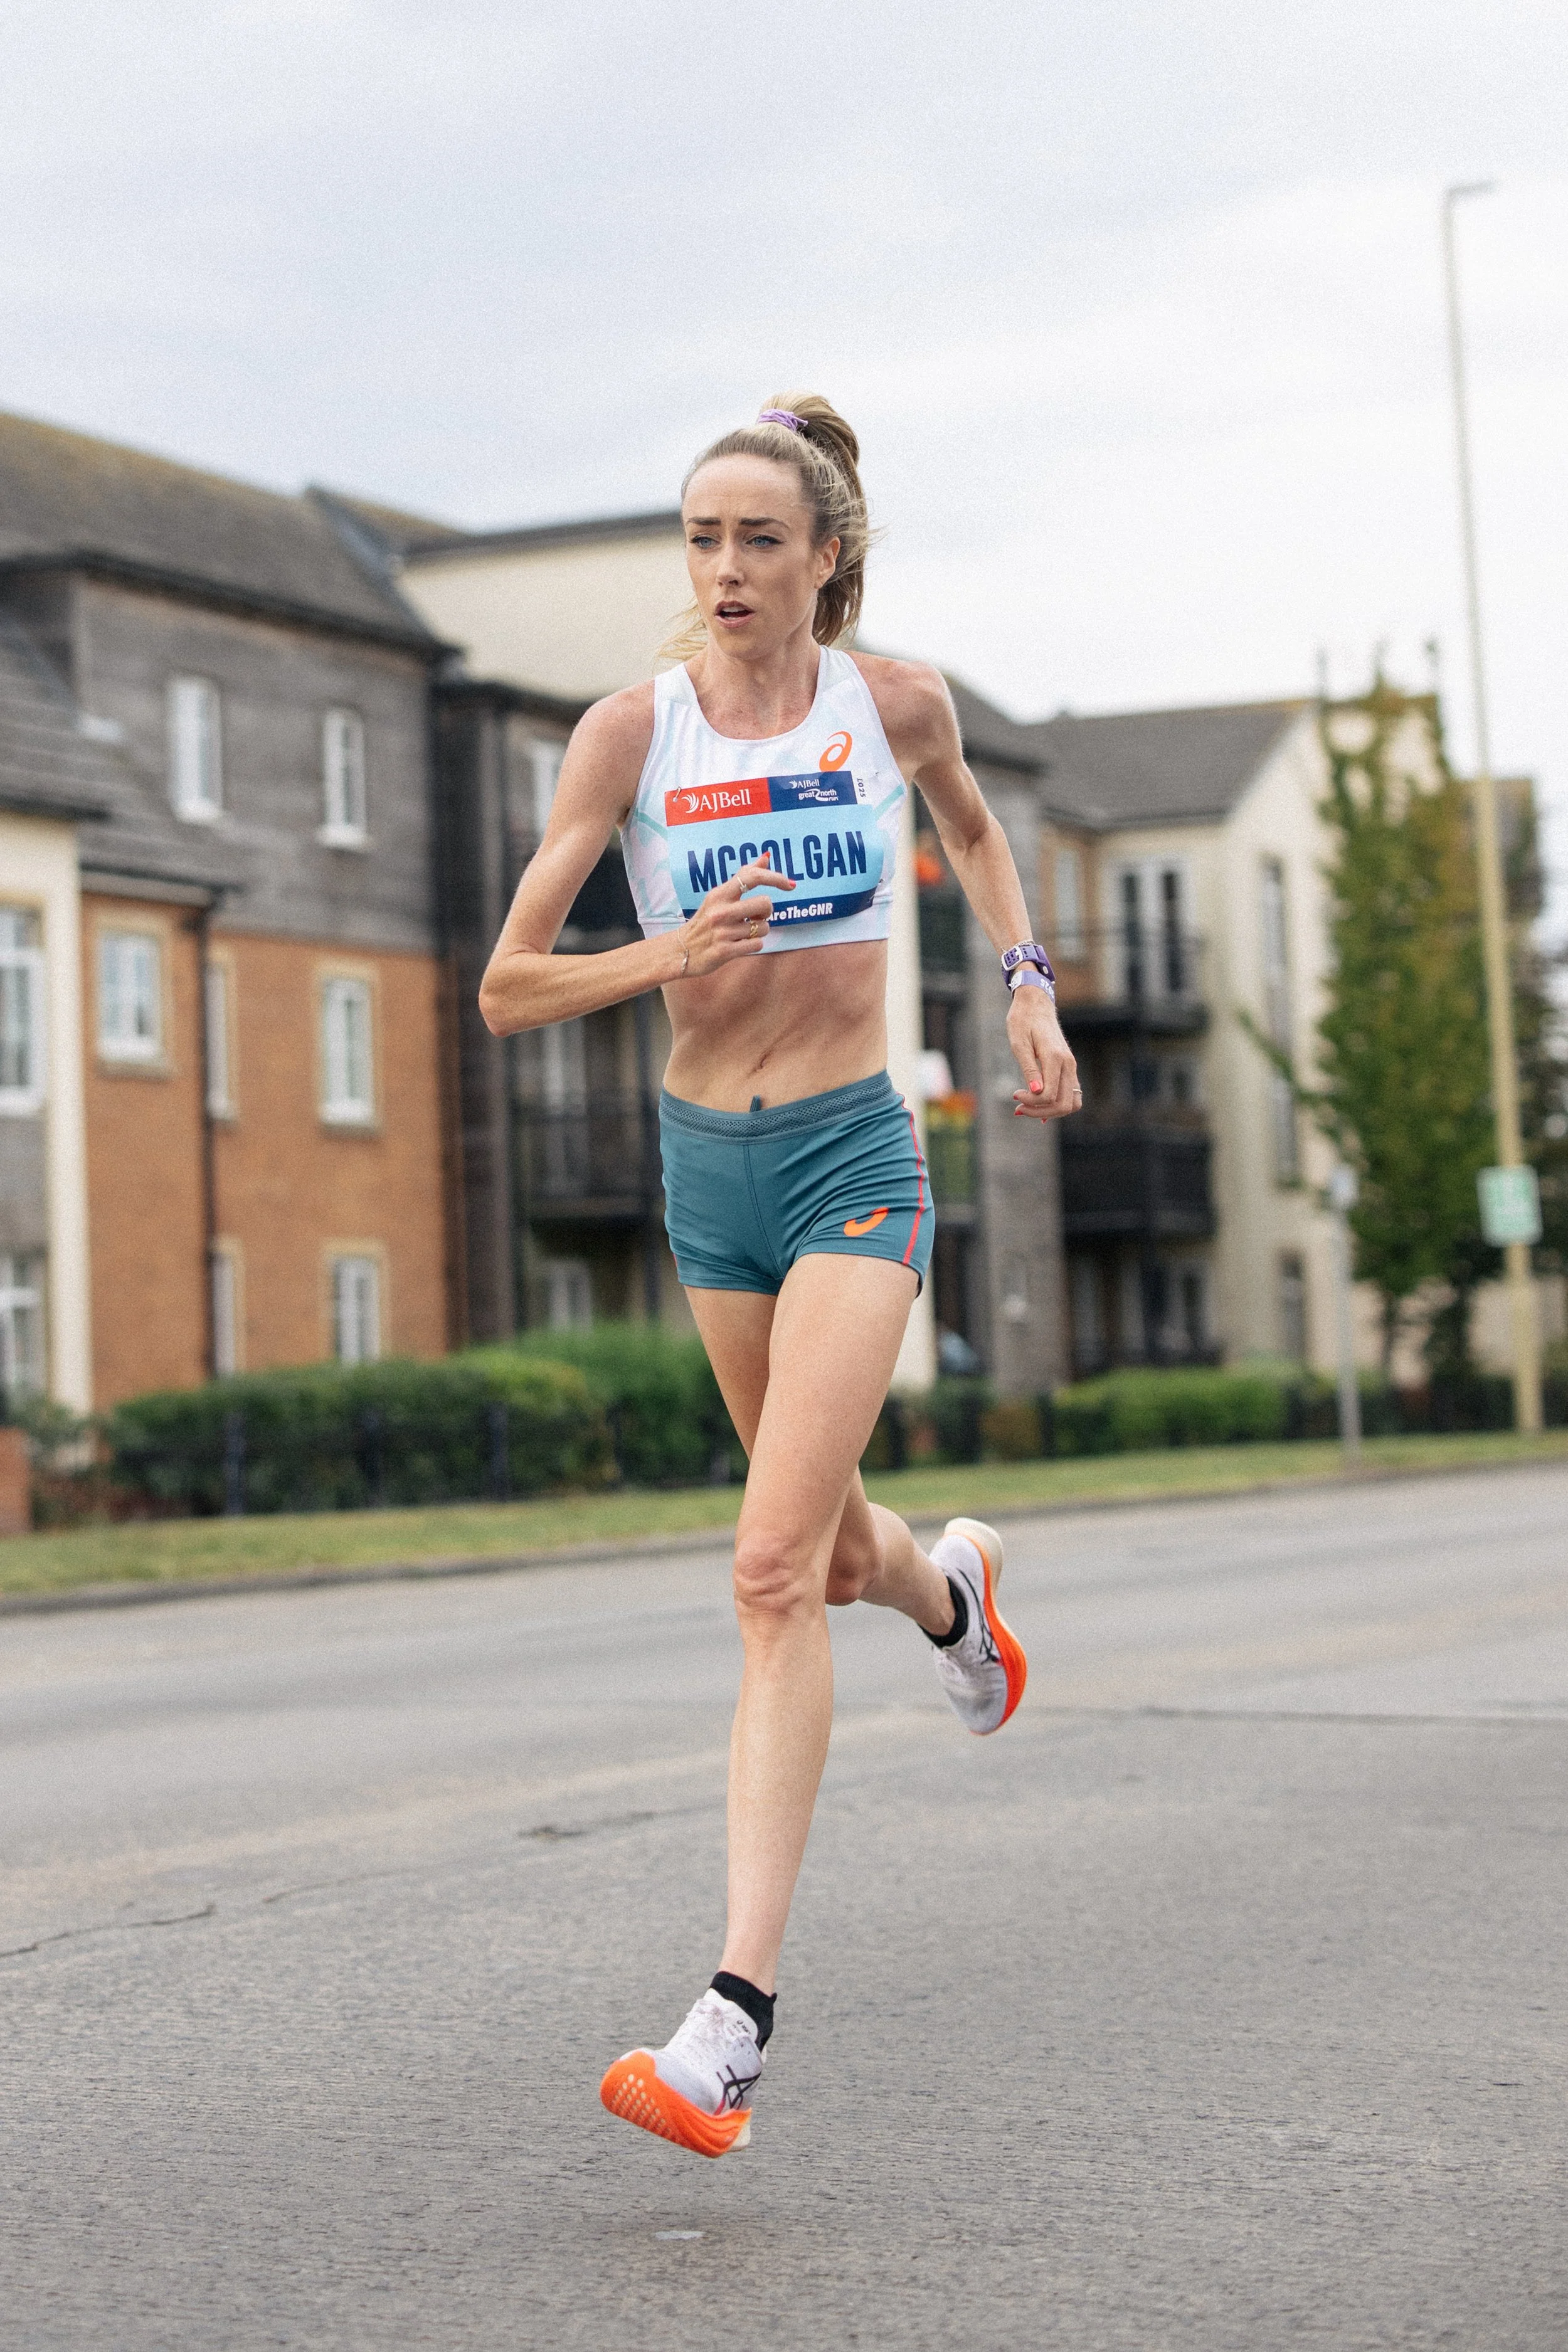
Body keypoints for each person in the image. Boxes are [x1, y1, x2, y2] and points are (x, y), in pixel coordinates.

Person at [479, 394, 1080, 2158]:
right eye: (700, 540)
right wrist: (662, 948)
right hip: (702, 1175)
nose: (725, 570)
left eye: (759, 539)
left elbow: (967, 829)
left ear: (826, 556)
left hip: (847, 1161)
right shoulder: (624, 735)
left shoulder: (888, 704)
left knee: (759, 1572)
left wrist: (1025, 976)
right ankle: (952, 1596)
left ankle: (727, 2023)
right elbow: (511, 983)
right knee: (824, 1552)